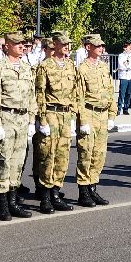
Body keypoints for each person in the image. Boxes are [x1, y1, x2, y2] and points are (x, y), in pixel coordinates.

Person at [0, 32, 36, 220]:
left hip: (23, 119)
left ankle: (13, 201)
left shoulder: (26, 67)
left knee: (18, 160)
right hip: (6, 117)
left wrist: (32, 120)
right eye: (16, 44)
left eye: (23, 44)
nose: (21, 46)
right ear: (6, 46)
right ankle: (2, 204)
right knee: (4, 160)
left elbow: (32, 96)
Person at [34, 31, 80, 213]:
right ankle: (45, 197)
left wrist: (74, 114)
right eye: (63, 43)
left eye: (68, 43)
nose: (67, 46)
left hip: (66, 115)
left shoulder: (70, 65)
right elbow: (40, 94)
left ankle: (55, 193)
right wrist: (42, 120)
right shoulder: (45, 66)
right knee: (48, 155)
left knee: (63, 156)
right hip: (51, 113)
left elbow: (75, 91)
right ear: (55, 44)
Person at [74, 33, 119, 206]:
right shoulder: (82, 69)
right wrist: (83, 121)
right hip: (89, 113)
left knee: (99, 154)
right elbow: (79, 96)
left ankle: (93, 188)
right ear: (88, 47)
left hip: (102, 115)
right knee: (86, 153)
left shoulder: (103, 67)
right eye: (98, 45)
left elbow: (110, 91)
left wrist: (112, 115)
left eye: (102, 46)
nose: (101, 48)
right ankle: (83, 191)